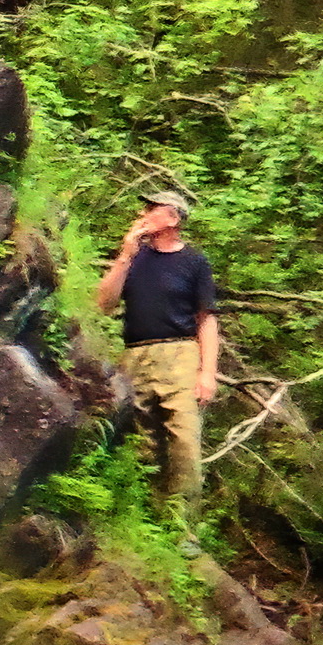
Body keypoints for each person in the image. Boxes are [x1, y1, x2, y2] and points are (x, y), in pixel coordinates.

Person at [98, 191, 221, 501]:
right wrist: (125, 255)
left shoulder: (194, 262)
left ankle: (181, 525)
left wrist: (207, 373)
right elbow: (103, 304)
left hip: (180, 354)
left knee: (184, 439)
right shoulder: (134, 258)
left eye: (152, 209)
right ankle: (142, 514)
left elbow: (206, 319)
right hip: (135, 355)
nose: (144, 213)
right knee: (139, 439)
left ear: (173, 219)